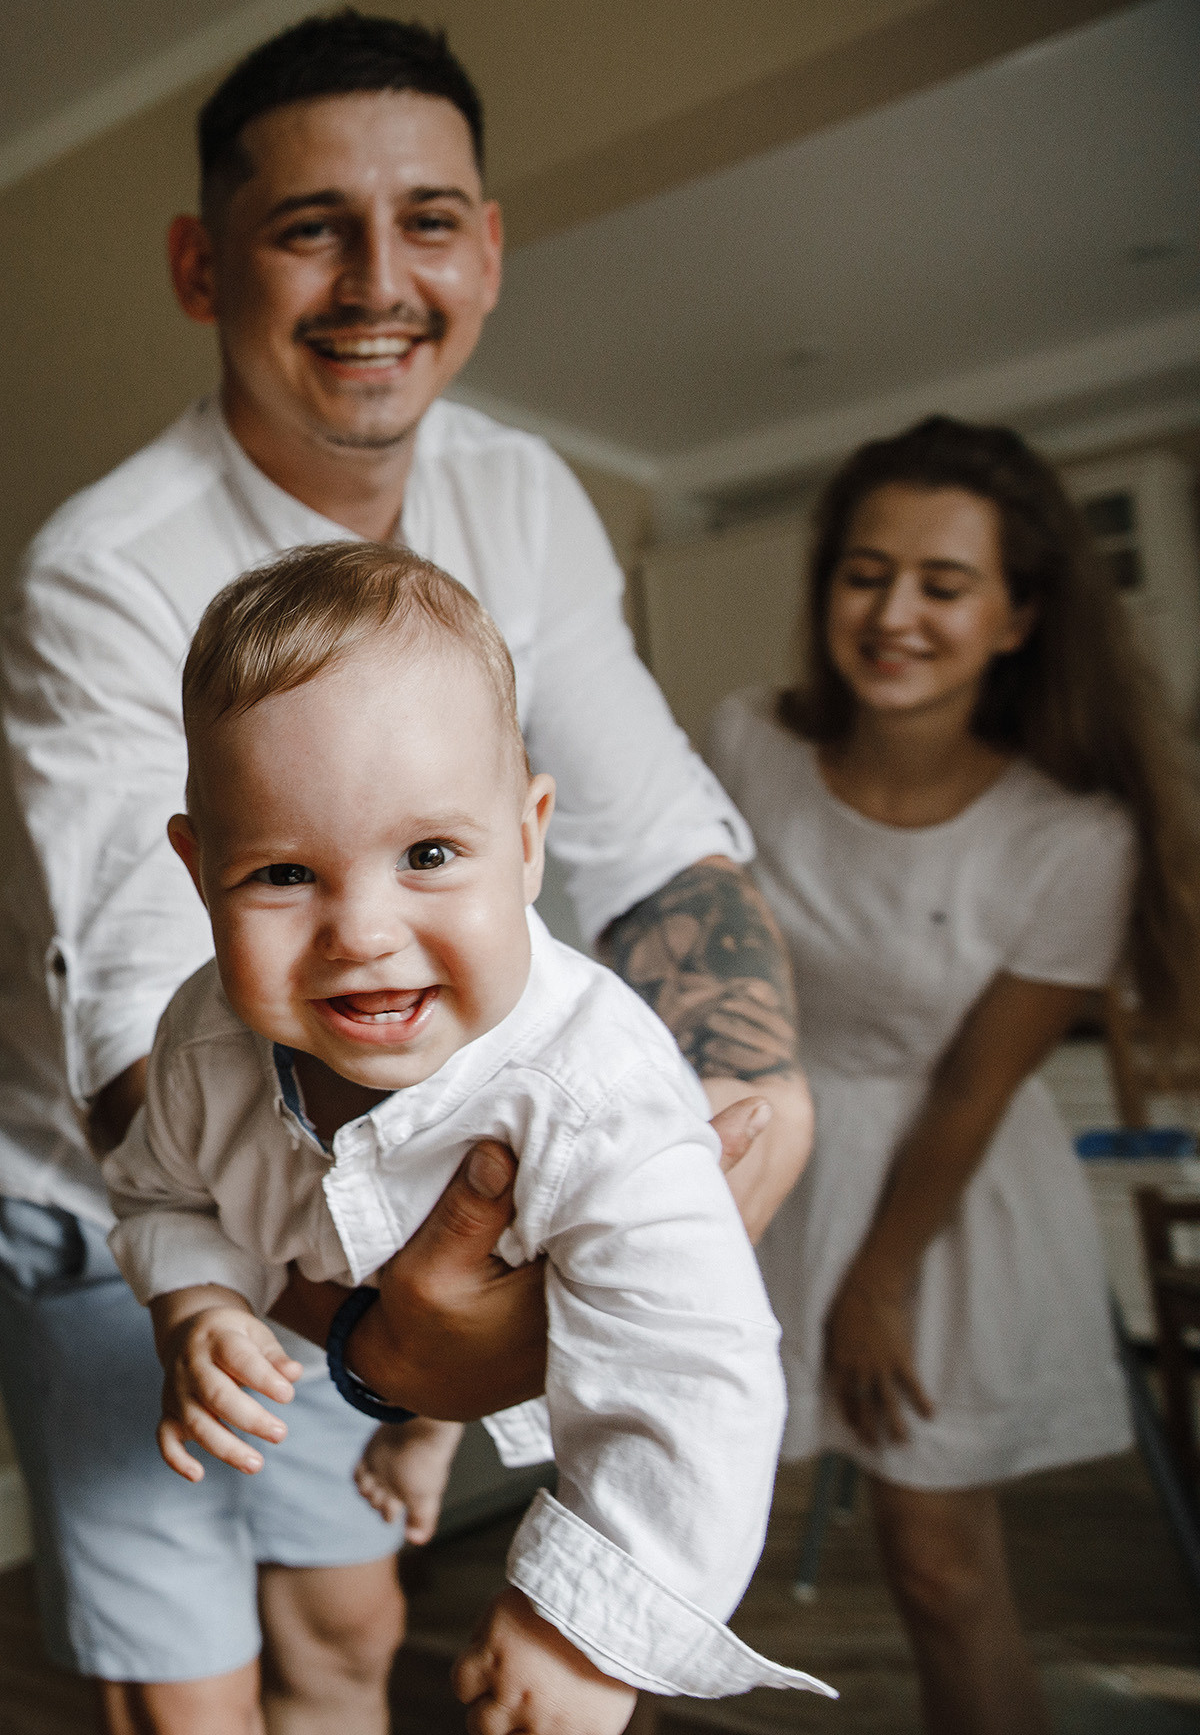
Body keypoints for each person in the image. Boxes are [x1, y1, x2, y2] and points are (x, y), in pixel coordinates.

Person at [0, 12, 810, 1735]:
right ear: (201, 263)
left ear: (489, 248)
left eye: (429, 217)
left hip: (395, 1182)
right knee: (187, 1692)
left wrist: (726, 1105)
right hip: (122, 1191)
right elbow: (155, 1026)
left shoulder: (524, 497)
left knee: (348, 1637)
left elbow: (651, 838)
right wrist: (360, 1333)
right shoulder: (105, 569)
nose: (381, 279)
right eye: (312, 227)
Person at [102, 541, 834, 1734]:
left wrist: (587, 1632)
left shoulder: (597, 1084)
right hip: (342, 1292)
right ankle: (425, 1434)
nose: (363, 932)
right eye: (284, 873)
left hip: (544, 1292)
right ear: (200, 874)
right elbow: (163, 1195)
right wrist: (199, 1305)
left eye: (429, 856)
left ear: (531, 836)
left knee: (602, 1352)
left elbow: (691, 1376)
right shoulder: (198, 1043)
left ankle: (431, 1441)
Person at [706, 414, 1200, 1735]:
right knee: (674, 1526)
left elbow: (976, 1085)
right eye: (867, 573)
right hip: (768, 1157)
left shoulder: (1073, 831)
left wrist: (877, 1282)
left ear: (1018, 615)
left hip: (946, 1194)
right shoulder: (751, 740)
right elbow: (703, 974)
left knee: (937, 1562)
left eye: (944, 583)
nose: (895, 614)